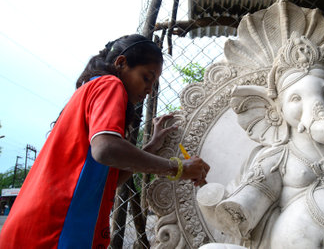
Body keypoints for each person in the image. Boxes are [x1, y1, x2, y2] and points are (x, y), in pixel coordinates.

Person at [0, 34, 210, 248]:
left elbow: (111, 180)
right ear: (121, 63)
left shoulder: (91, 90)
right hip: (54, 229)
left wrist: (151, 147)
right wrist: (178, 168)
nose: (149, 90)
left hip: (39, 226)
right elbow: (106, 149)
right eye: (146, 78)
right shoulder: (110, 85)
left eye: (153, 84)